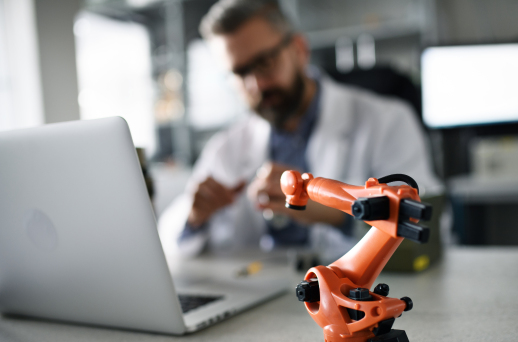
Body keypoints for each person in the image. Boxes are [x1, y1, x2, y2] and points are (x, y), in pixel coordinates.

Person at [158, 0, 443, 261]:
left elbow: (423, 228)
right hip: (261, 294)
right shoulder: (228, 145)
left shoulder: (387, 121)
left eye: (265, 62)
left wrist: (336, 213)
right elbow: (170, 242)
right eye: (241, 72)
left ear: (299, 50)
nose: (257, 85)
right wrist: (195, 217)